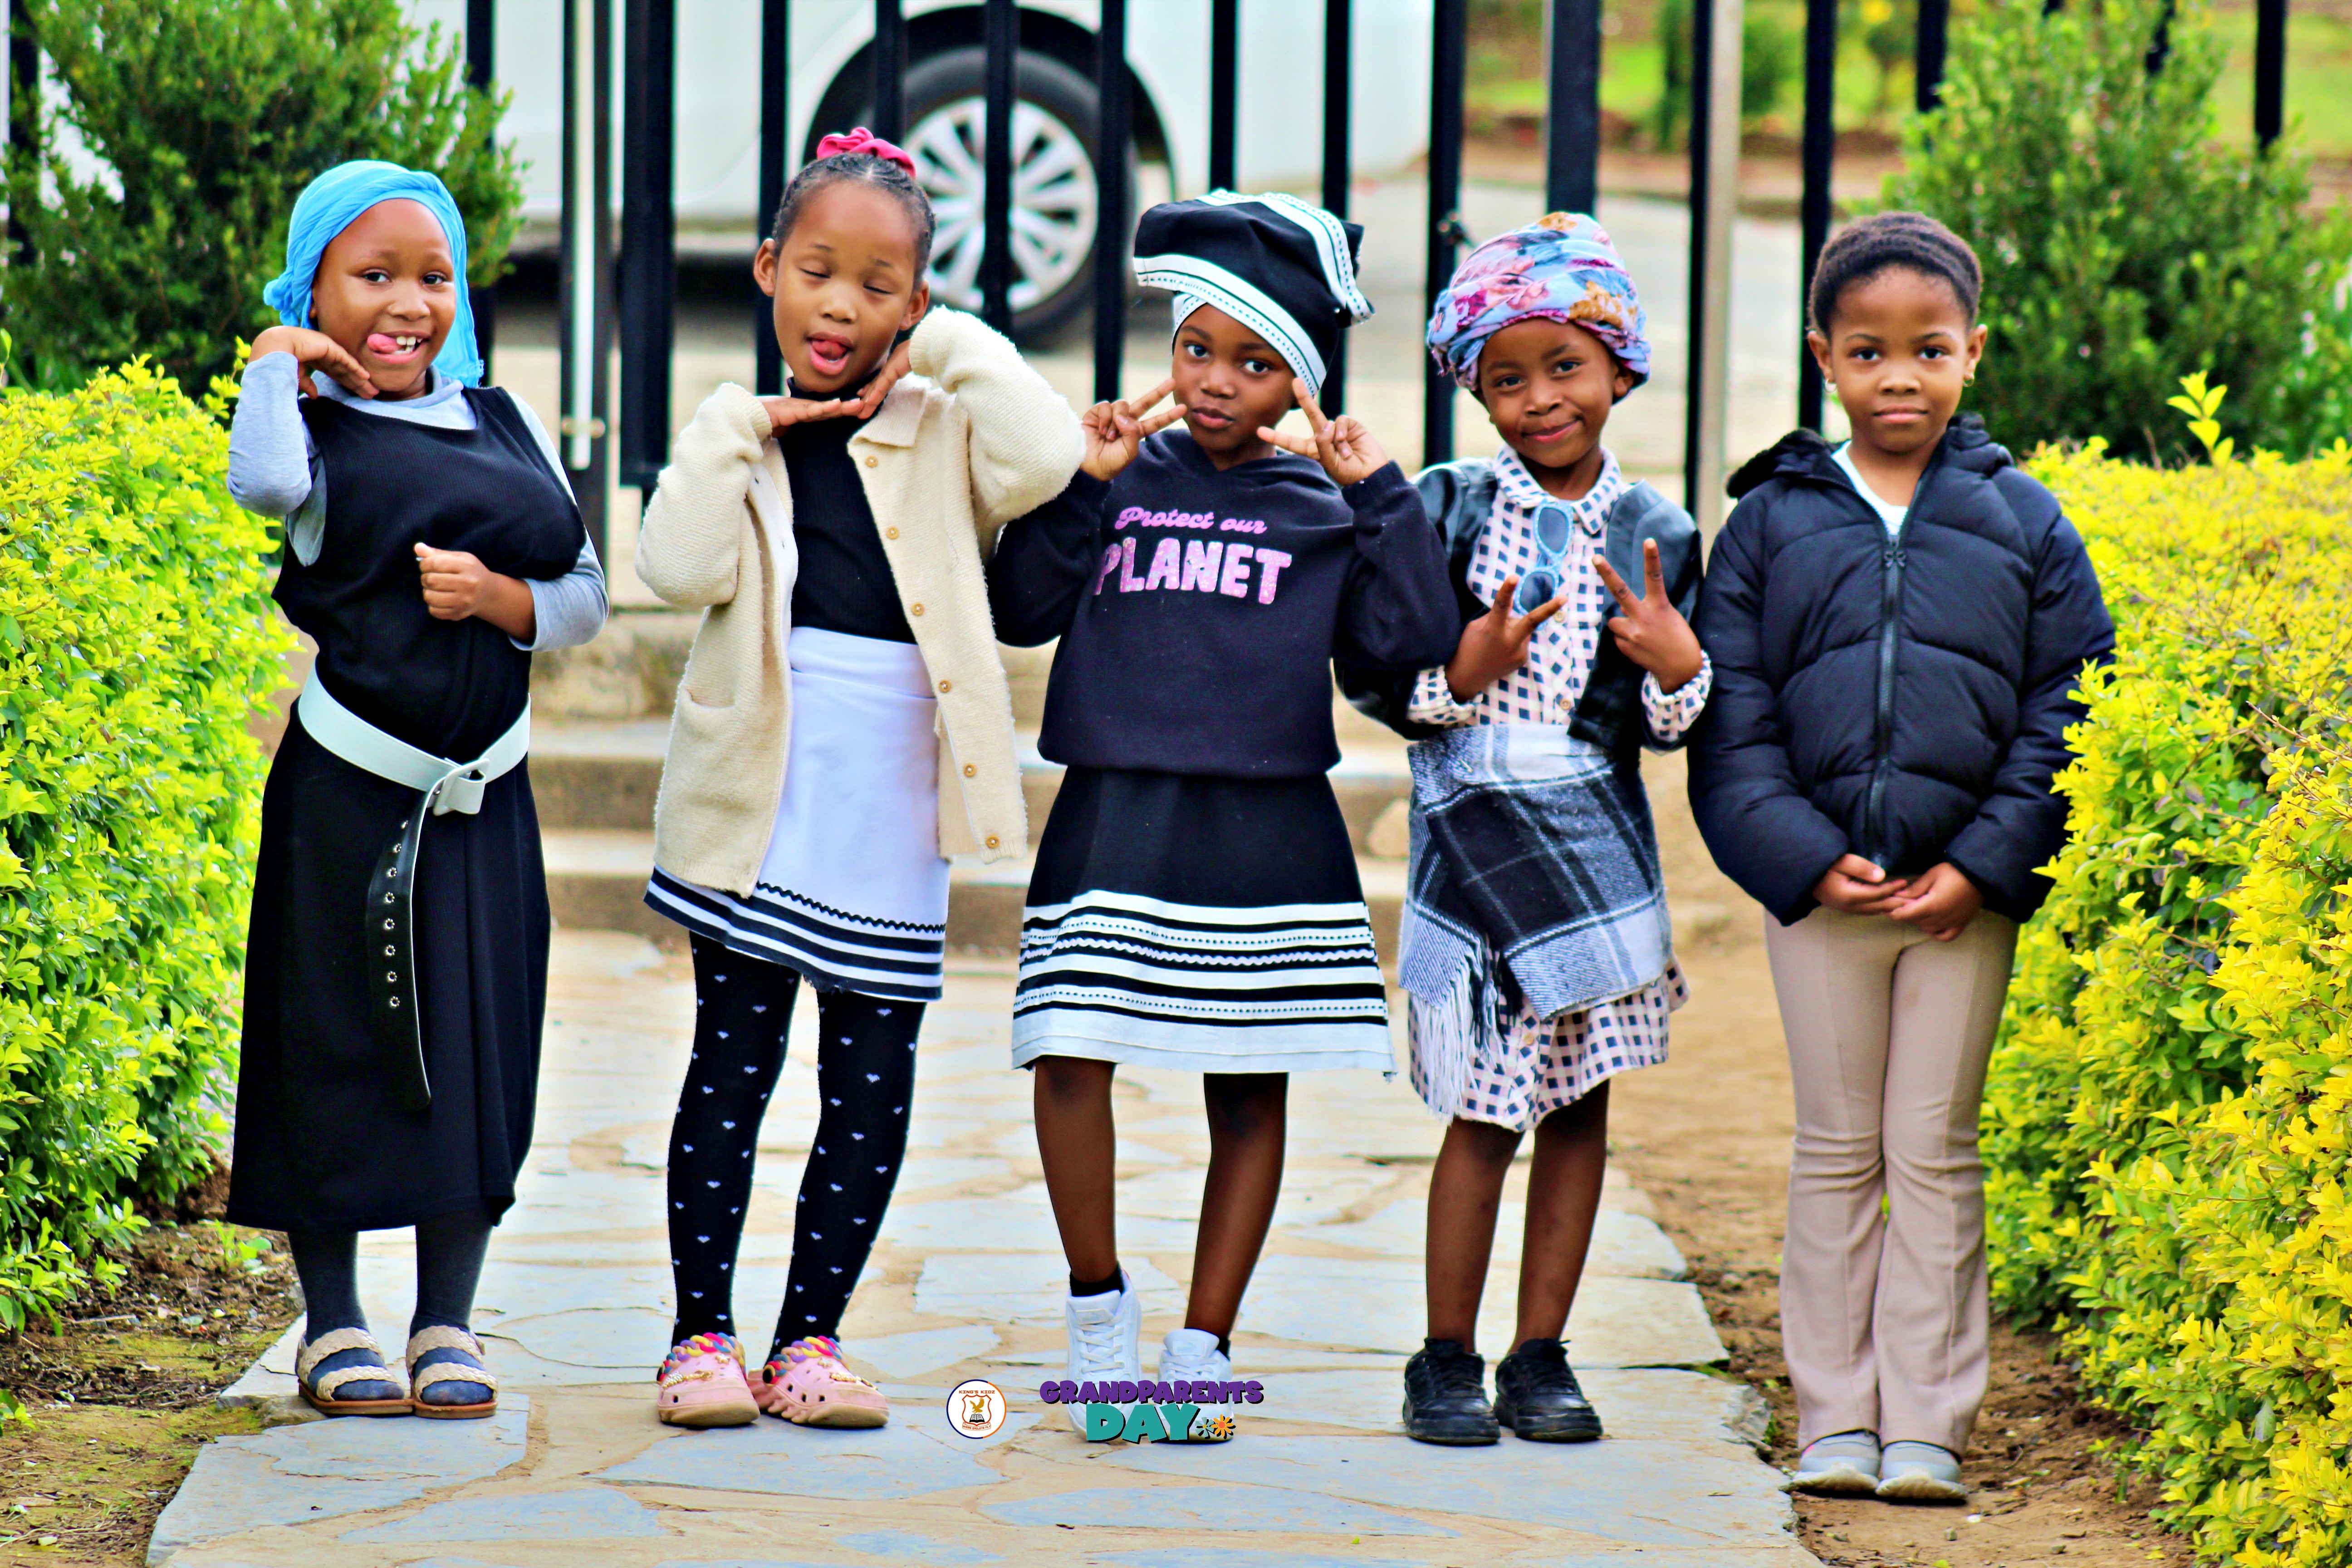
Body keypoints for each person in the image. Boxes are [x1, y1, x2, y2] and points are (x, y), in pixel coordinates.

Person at [986, 191, 1460, 1428]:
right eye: (1197, 348)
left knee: (1251, 1090)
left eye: (1256, 362)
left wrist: (1382, 498)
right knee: (1068, 1049)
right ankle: (1099, 1319)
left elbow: (1411, 648)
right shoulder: (1121, 473)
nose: (1215, 381)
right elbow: (1018, 608)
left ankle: (1202, 1351)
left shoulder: (1322, 505)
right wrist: (1076, 485)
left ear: (1300, 381)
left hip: (1265, 837)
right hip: (1113, 816)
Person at [634, 130, 1080, 1430]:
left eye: (880, 285)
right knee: (733, 1058)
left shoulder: (945, 423)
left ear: (918, 304)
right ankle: (700, 1337)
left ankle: (811, 1341)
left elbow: (1048, 457)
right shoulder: (740, 433)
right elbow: (674, 565)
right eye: (818, 271)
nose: (842, 305)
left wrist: (933, 347)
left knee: (872, 1073)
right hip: (763, 785)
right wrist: (737, 427)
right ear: (769, 268)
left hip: (891, 788)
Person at [1687, 211, 2112, 1501]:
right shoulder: (1768, 525)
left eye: (1929, 350)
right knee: (1835, 1148)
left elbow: (2067, 708)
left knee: (1933, 1147)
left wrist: (1985, 865)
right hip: (1821, 899)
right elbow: (1734, 717)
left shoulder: (2027, 525)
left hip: (1960, 906)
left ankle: (1926, 1420)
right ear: (1826, 356)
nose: (1900, 378)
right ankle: (1833, 1421)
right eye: (1869, 353)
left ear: (1973, 353)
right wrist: (1806, 860)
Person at [224, 162, 608, 1418]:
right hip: (350, 800)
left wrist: (501, 603)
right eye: (371, 276)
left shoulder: (504, 416)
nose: (408, 304)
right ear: (315, 286)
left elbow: (586, 594)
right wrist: (277, 361)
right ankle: (333, 1321)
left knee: (477, 1049)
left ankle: (448, 1318)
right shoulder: (314, 437)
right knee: (333, 1044)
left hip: (485, 804)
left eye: (433, 277)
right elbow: (267, 488)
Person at [1338, 213, 1710, 1446]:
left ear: (1618, 368)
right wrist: (1464, 666)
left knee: (1580, 1105)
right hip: (1471, 826)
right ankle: (1444, 1358)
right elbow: (1385, 677)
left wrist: (1679, 661)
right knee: (1483, 1108)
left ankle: (1539, 1356)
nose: (1541, 398)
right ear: (1474, 389)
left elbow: (1664, 730)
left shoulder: (1661, 533)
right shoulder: (1442, 513)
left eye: (1566, 367)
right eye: (1508, 377)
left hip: (1595, 842)